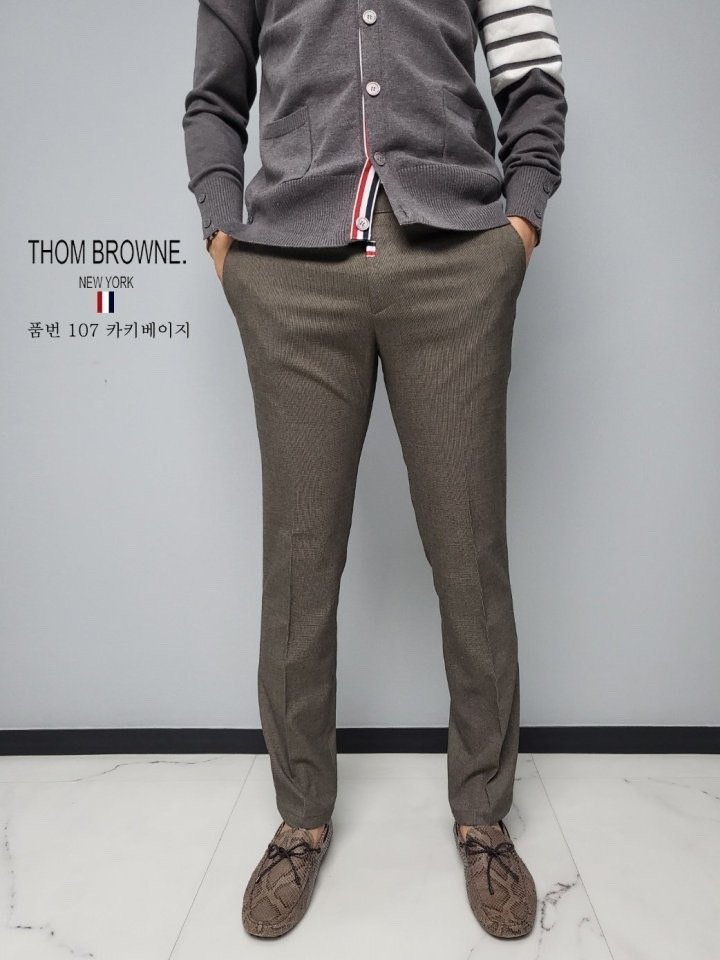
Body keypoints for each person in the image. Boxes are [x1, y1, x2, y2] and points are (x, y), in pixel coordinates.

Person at [183, 0, 567, 941]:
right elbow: (214, 101)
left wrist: (519, 226)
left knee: (469, 554)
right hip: (290, 271)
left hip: (456, 261)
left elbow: (532, 75)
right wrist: (226, 239)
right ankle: (299, 819)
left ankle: (484, 816)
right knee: (299, 562)